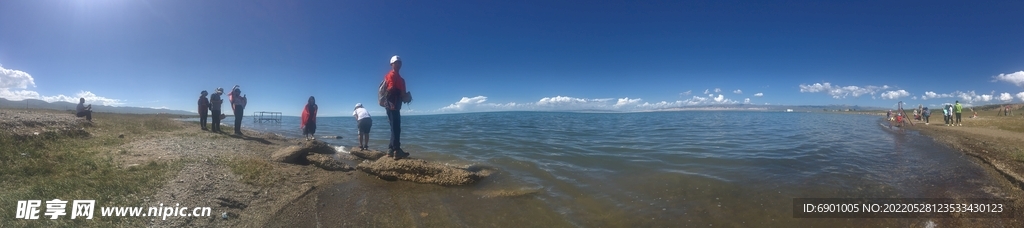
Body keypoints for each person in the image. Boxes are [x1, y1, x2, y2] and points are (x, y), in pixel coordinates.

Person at [382, 55, 412, 159]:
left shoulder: (390, 76)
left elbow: (389, 90)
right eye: (396, 62)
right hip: (393, 105)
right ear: (391, 64)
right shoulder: (395, 77)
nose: (398, 64)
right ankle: (396, 151)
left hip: (389, 105)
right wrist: (406, 96)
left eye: (399, 62)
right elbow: (392, 89)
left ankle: (390, 149)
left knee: (393, 128)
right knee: (396, 128)